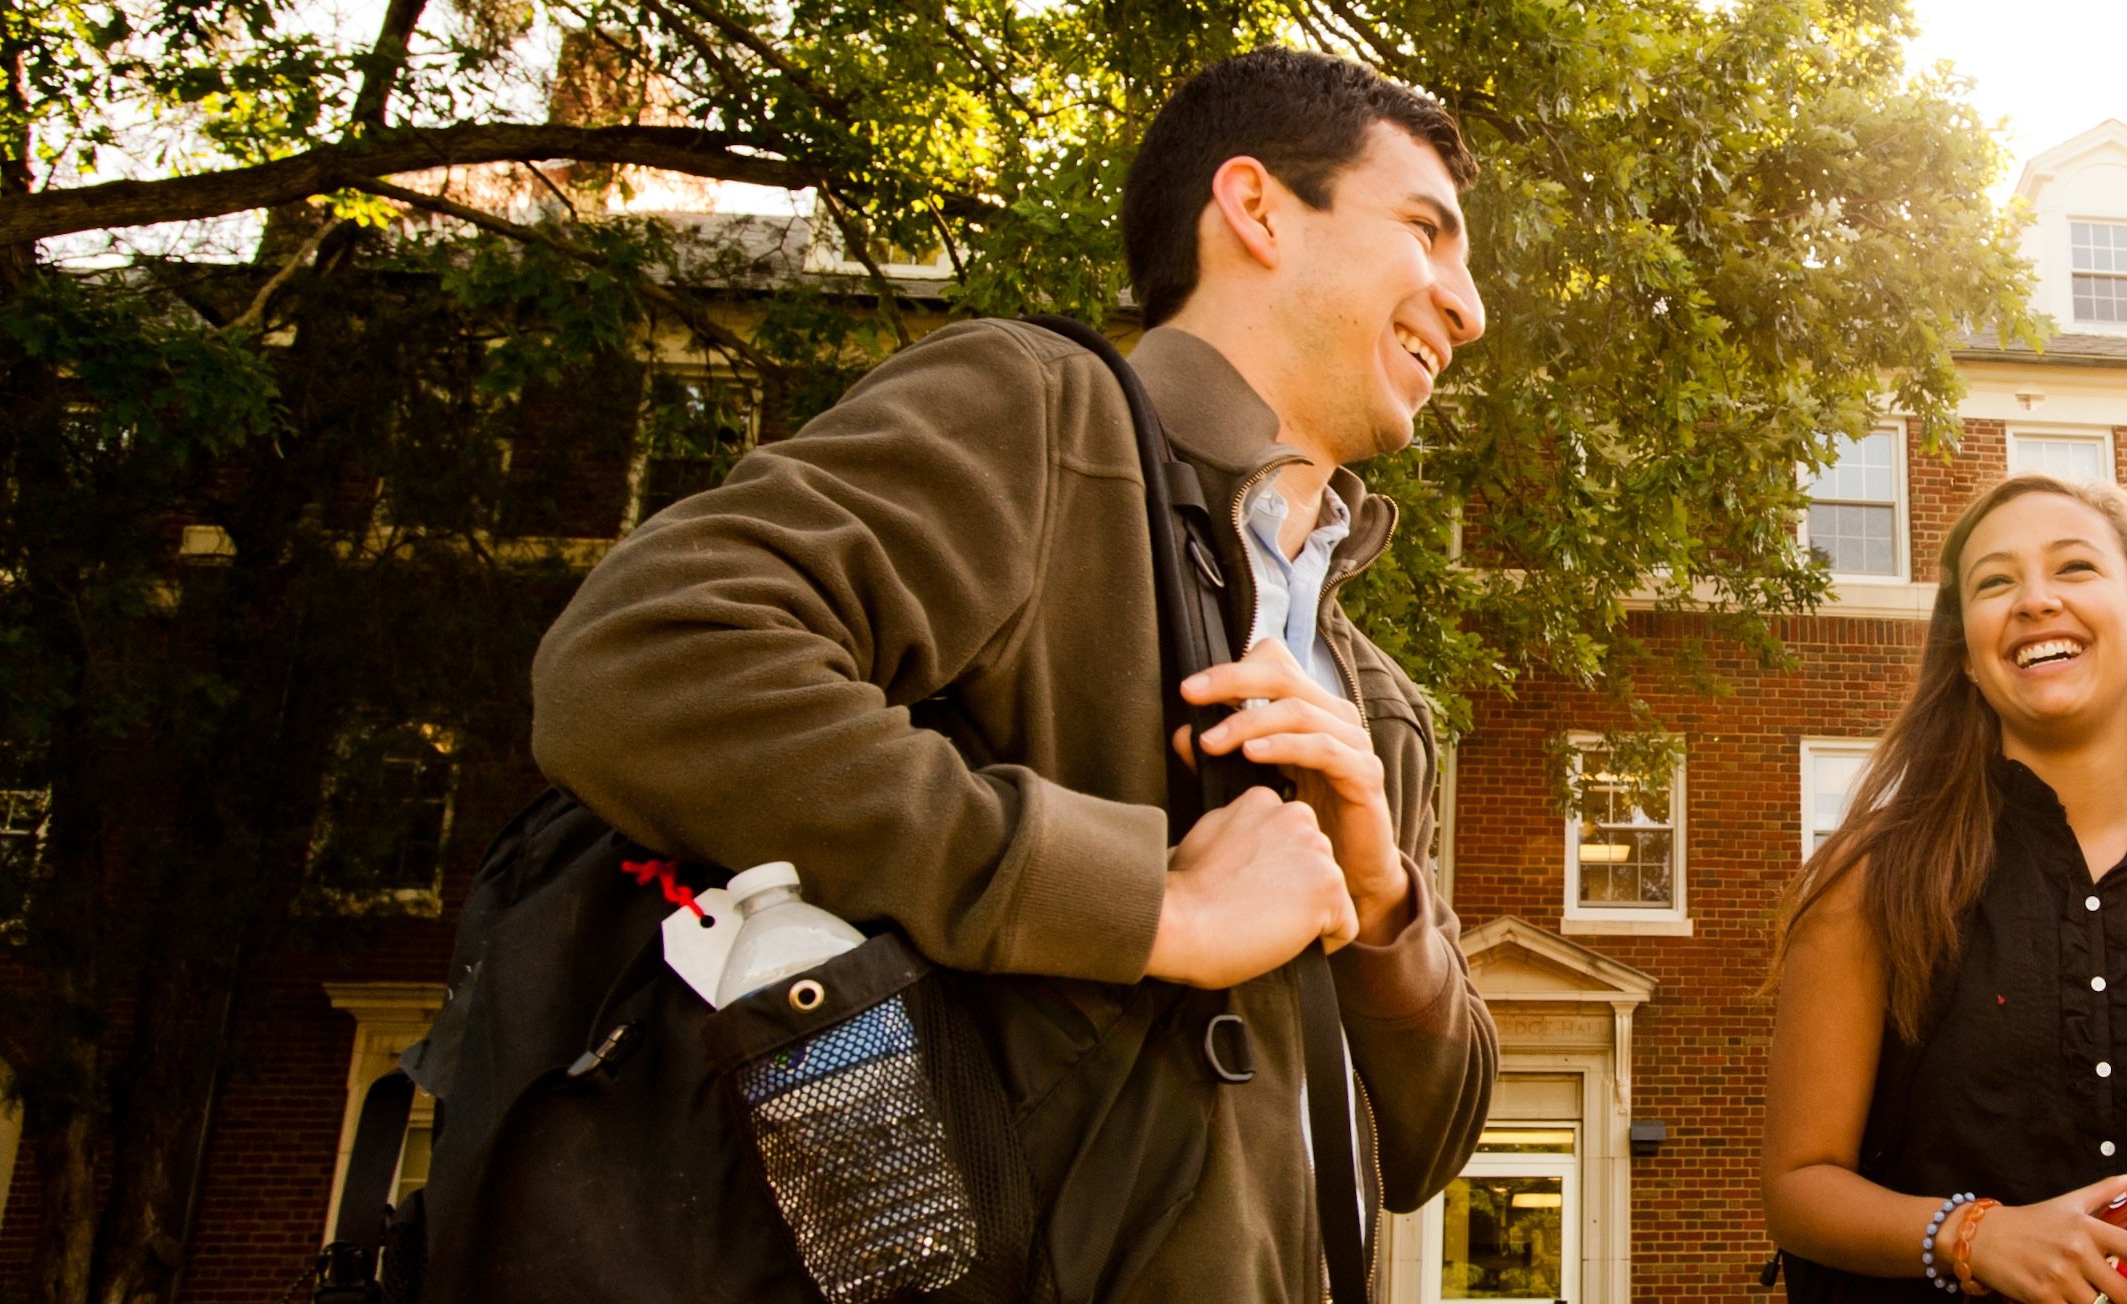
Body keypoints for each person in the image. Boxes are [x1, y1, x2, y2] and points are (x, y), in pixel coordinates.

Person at [530, 48, 1497, 1301]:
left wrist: (1380, 896)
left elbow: (1431, 1141)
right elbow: (641, 661)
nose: (1468, 306)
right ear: (1256, 207)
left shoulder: (1380, 709)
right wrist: (1148, 903)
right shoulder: (1042, 415)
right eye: (1428, 231)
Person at [1763, 475, 2127, 1303]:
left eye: (2073, 568)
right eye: (1995, 582)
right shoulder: (1873, 876)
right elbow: (1797, 1191)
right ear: (1966, 655)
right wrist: (1975, 1235)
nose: (2035, 600)